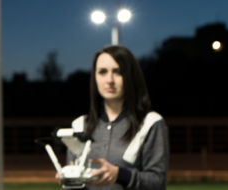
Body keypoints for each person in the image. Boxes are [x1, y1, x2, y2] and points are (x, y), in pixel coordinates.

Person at [70, 45, 169, 189]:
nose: (109, 80)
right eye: (102, 72)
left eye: (118, 72)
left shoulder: (151, 123)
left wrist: (120, 175)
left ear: (130, 76)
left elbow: (158, 182)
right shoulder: (79, 125)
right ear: (95, 77)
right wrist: (69, 180)